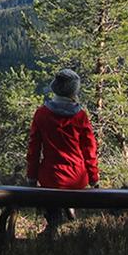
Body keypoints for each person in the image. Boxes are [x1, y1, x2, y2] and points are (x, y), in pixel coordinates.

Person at [25, 68, 100, 233]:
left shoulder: (41, 114)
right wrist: (94, 178)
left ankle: (53, 220)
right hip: (77, 178)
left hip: (50, 177)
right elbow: (89, 150)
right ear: (74, 90)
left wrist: (31, 177)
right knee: (68, 187)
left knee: (50, 188)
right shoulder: (81, 116)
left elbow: (34, 150)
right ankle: (69, 206)